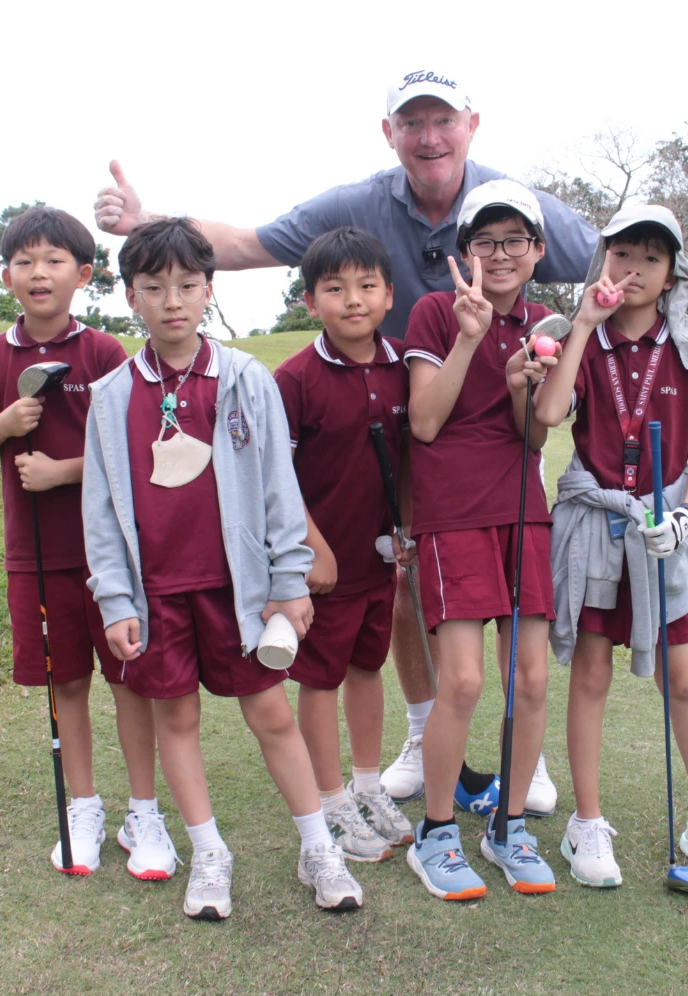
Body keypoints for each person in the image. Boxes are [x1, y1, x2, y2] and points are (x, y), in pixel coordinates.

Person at [91, 67, 688, 813]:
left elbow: (625, 262)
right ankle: (424, 733)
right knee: (404, 590)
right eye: (412, 122)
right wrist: (148, 223)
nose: (429, 137)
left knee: (503, 628)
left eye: (443, 121)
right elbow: (246, 244)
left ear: (471, 126)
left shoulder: (513, 207)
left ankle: (520, 755)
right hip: (396, 416)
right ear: (390, 132)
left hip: (493, 441)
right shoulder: (357, 204)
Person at [81, 217, 366, 919]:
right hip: (156, 596)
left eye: (187, 285)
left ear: (209, 289)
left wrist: (288, 583)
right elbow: (100, 512)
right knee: (175, 719)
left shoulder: (245, 379)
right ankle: (209, 854)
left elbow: (279, 491)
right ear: (130, 297)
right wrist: (116, 601)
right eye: (154, 288)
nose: (172, 301)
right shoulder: (110, 396)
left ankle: (318, 848)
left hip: (239, 591)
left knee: (271, 714)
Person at [0, 206, 175, 880]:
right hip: (36, 555)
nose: (38, 272)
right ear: (6, 276)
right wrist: (4, 424)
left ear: (82, 274)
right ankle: (83, 806)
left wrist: (63, 471)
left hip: (111, 553)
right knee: (67, 682)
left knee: (130, 680)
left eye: (53, 261)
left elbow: (135, 449)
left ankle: (144, 812)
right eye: (24, 261)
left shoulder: (103, 352)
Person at [531, 205, 688, 888]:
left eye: (652, 258)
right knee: (590, 675)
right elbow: (548, 413)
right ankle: (586, 824)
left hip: (661, 532)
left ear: (673, 274)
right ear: (603, 262)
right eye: (622, 254)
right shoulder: (579, 339)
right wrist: (582, 323)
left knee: (682, 680)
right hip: (597, 528)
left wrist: (686, 515)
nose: (635, 269)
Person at [400, 180, 562, 901]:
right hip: (453, 513)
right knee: (463, 681)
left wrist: (522, 384)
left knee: (531, 679)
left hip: (524, 509)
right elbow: (425, 422)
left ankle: (509, 826)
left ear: (537, 250)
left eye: (514, 240)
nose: (499, 254)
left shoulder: (542, 326)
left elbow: (534, 437)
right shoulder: (437, 313)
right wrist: (470, 338)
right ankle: (437, 832)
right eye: (485, 241)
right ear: (464, 251)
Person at [272, 227, 418, 861]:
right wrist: (315, 549)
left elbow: (414, 455)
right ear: (311, 301)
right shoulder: (295, 379)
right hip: (322, 567)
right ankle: (330, 800)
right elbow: (275, 478)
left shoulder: (406, 364)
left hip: (379, 559)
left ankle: (367, 786)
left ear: (389, 294)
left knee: (367, 667)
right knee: (320, 678)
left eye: (366, 285)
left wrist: (408, 526)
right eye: (334, 288)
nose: (353, 299)